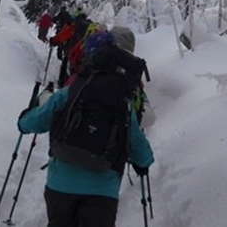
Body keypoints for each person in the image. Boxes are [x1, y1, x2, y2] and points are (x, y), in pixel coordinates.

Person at [18, 26, 154, 227]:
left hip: (60, 185)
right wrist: (143, 163)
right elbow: (140, 150)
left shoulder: (74, 89)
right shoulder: (122, 100)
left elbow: (35, 121)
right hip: (102, 193)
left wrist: (23, 121)